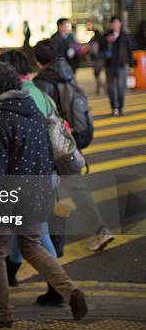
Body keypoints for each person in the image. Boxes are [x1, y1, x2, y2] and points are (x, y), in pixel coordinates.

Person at [0, 63, 88, 328]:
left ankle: (1, 314)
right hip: (37, 192)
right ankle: (70, 291)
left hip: (7, 197)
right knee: (32, 246)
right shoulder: (33, 111)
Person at [33, 39, 114, 252]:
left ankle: (96, 230)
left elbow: (44, 117)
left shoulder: (43, 82)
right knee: (69, 185)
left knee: (62, 186)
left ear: (38, 60)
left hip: (57, 143)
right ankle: (58, 236)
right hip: (73, 136)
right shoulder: (66, 71)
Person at [0, 50, 63, 303]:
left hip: (33, 175)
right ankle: (11, 271)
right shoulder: (39, 91)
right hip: (47, 170)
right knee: (23, 228)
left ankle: (59, 287)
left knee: (38, 234)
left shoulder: (22, 95)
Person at [103, 16, 136, 116]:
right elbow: (100, 48)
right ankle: (114, 108)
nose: (116, 25)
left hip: (121, 65)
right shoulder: (106, 35)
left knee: (121, 88)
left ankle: (120, 108)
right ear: (111, 24)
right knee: (110, 89)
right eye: (114, 23)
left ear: (120, 24)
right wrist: (107, 41)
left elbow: (130, 50)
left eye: (117, 23)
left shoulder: (125, 36)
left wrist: (131, 65)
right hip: (109, 66)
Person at [87, 30, 105, 95]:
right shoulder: (102, 39)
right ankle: (99, 88)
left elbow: (89, 49)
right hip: (101, 59)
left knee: (97, 75)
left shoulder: (93, 40)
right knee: (98, 75)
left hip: (96, 60)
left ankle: (102, 88)